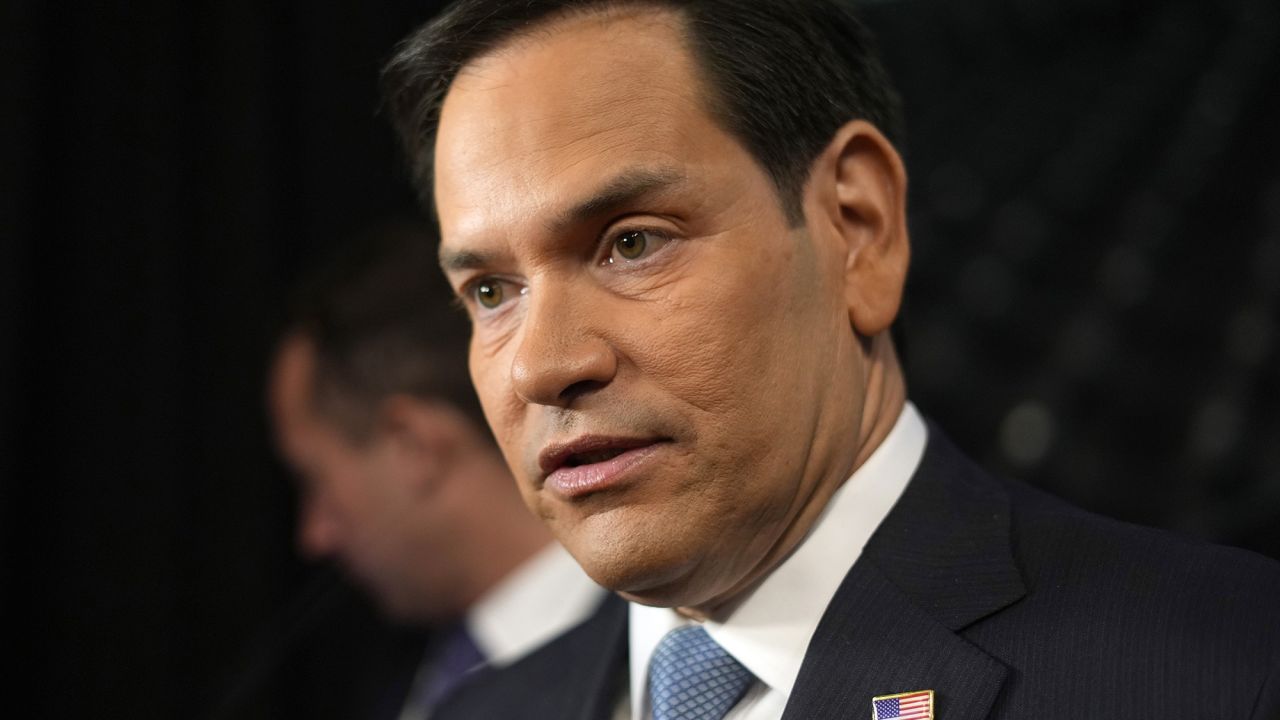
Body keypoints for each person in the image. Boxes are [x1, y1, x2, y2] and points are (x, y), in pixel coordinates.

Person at [378, 1, 1280, 718]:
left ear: (859, 228)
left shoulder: (1223, 670)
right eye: (492, 292)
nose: (541, 366)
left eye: (632, 242)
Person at [268, 219, 604, 719]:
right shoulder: (410, 686)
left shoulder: (665, 653)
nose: (316, 535)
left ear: (413, 446)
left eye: (315, 480)